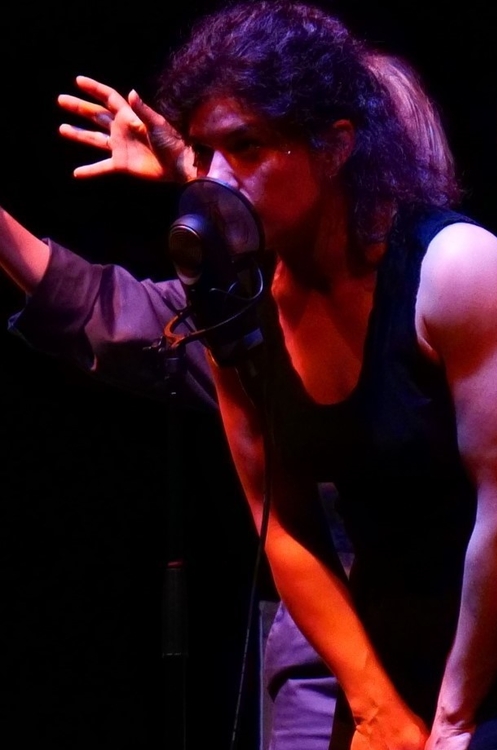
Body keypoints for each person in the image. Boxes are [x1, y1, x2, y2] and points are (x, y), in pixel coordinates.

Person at [6, 49, 462, 750]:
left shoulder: (462, 288)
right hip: (323, 672)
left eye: (250, 146)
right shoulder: (254, 319)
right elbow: (115, 314)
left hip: (471, 655)